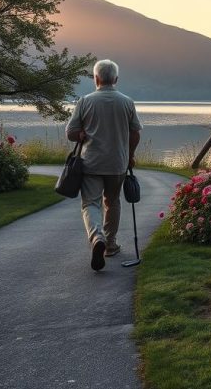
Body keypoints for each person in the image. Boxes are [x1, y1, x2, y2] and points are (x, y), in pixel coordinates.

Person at [66, 59, 142, 271]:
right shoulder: (127, 102)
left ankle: (96, 236)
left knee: (90, 203)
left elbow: (70, 133)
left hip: (91, 163)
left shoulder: (85, 101)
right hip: (117, 163)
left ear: (96, 78)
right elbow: (135, 132)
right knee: (113, 202)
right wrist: (130, 155)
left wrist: (81, 134)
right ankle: (110, 244)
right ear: (115, 79)